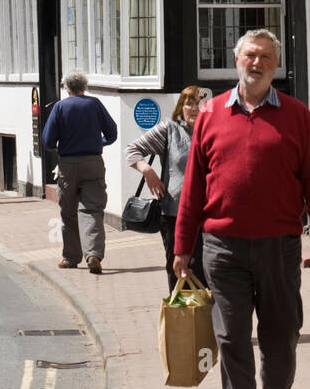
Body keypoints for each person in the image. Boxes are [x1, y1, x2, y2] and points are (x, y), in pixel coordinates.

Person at [174, 29, 310, 389]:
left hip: (279, 246)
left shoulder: (297, 116)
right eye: (250, 55)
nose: (257, 62)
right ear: (236, 59)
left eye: (265, 57)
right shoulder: (210, 114)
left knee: (282, 334)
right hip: (221, 247)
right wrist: (182, 248)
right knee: (230, 337)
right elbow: (192, 188)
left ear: (275, 65)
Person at [125, 85, 209, 293]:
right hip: (175, 213)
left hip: (208, 214)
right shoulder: (169, 129)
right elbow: (132, 150)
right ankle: (180, 319)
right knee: (179, 270)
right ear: (181, 107)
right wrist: (147, 170)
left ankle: (204, 319)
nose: (194, 109)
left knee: (205, 271)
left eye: (199, 104)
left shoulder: (212, 131)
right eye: (189, 103)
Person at [42, 70, 117, 275]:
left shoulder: (60, 107)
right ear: (84, 87)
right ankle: (93, 254)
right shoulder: (94, 104)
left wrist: (60, 147)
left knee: (68, 211)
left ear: (66, 88)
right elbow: (112, 133)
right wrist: (98, 142)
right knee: (92, 209)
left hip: (68, 163)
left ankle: (71, 257)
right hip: (93, 162)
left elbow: (48, 141)